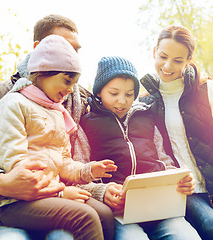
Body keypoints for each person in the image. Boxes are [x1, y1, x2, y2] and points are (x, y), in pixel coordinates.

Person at [0, 14, 117, 240]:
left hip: (55, 194)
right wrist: (59, 192)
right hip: (14, 200)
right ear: (41, 55)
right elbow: (20, 170)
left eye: (74, 50)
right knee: (85, 218)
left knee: (104, 214)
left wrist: (89, 171)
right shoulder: (5, 100)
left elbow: (62, 161)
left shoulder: (57, 107)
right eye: (61, 47)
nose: (70, 56)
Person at [139, 25, 213, 240]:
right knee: (211, 225)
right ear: (154, 52)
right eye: (163, 56)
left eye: (178, 60)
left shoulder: (207, 89)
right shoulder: (146, 102)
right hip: (186, 193)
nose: (168, 66)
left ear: (188, 60)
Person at [80, 56, 201, 240]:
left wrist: (180, 180)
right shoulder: (86, 123)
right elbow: (77, 175)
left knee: (185, 236)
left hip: (159, 208)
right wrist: (101, 193)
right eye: (114, 93)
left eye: (129, 94)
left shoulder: (145, 116)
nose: (122, 101)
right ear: (99, 92)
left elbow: (165, 162)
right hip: (119, 214)